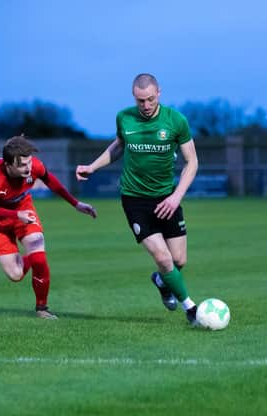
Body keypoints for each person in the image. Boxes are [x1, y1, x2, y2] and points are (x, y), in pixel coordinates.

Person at [76, 73, 200, 326]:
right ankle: (191, 308)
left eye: (150, 99)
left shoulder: (176, 121)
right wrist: (93, 166)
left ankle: (161, 282)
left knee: (178, 261)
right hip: (135, 199)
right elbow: (119, 146)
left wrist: (176, 197)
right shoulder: (124, 118)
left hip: (167, 197)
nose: (145, 105)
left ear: (159, 94)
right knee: (164, 258)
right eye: (140, 100)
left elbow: (192, 161)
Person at [0, 135, 97, 319]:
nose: (28, 168)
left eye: (29, 162)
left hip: (24, 210)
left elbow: (51, 181)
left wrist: (76, 203)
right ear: (8, 165)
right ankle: (32, 257)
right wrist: (15, 215)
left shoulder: (34, 166)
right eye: (22, 165)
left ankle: (42, 308)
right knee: (15, 275)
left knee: (38, 255)